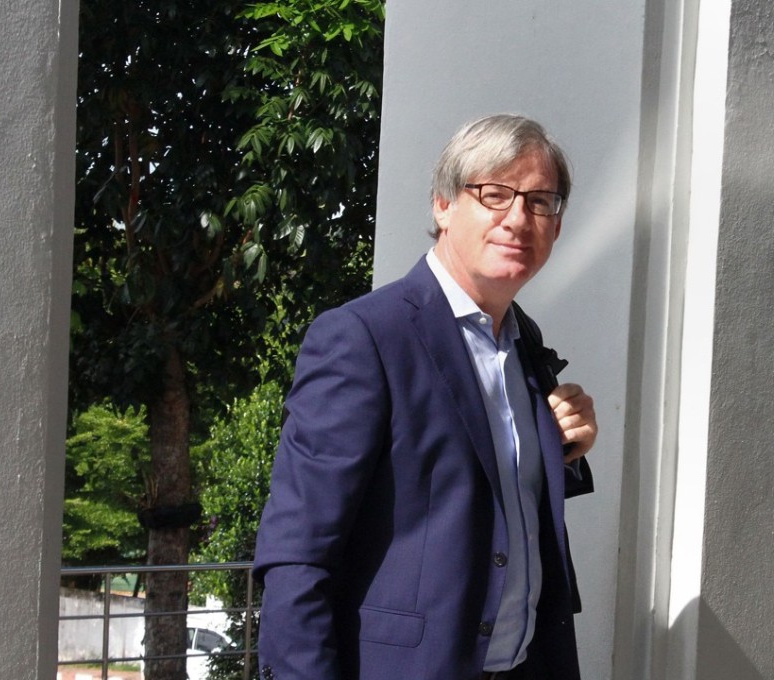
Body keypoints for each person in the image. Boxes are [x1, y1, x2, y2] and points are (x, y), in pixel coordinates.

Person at [253, 114, 597, 680]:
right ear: (443, 205)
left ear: (556, 227)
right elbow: (298, 554)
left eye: (540, 202)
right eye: (495, 194)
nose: (518, 218)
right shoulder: (364, 338)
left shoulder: (522, 341)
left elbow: (475, 489)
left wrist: (559, 452)